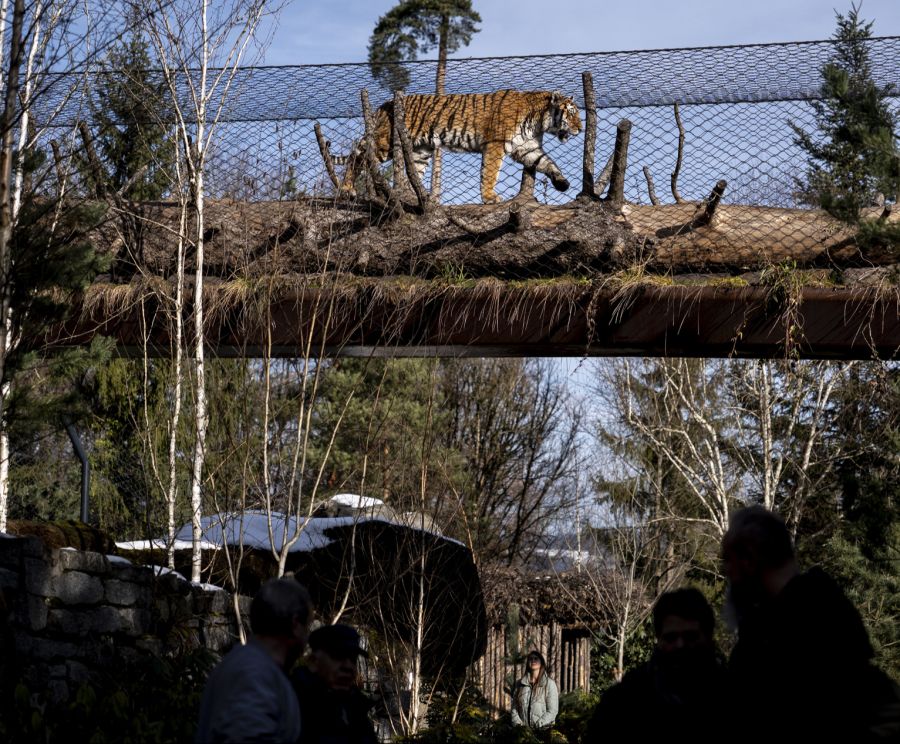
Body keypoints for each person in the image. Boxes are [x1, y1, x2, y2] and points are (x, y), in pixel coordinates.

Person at [722, 505, 900, 741]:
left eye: (729, 560)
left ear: (749, 559)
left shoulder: (802, 630)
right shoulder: (816, 617)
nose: (726, 571)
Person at [583, 588, 728, 743]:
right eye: (671, 638)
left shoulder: (731, 694)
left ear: (708, 636)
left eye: (690, 636)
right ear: (659, 639)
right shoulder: (625, 700)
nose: (680, 645)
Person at [196, 577, 313, 744]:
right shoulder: (254, 673)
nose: (306, 637)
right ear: (295, 625)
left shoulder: (248, 664)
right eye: (306, 627)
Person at [292, 623, 378, 744]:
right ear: (313, 661)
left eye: (353, 659)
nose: (348, 666)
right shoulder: (290, 703)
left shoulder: (355, 707)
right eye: (338, 656)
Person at [510, 649, 559, 729]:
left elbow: (552, 711)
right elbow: (514, 708)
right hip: (523, 734)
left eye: (536, 658)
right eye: (530, 659)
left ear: (541, 662)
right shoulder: (520, 684)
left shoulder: (549, 684)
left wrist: (538, 725)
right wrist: (520, 727)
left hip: (543, 732)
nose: (533, 660)